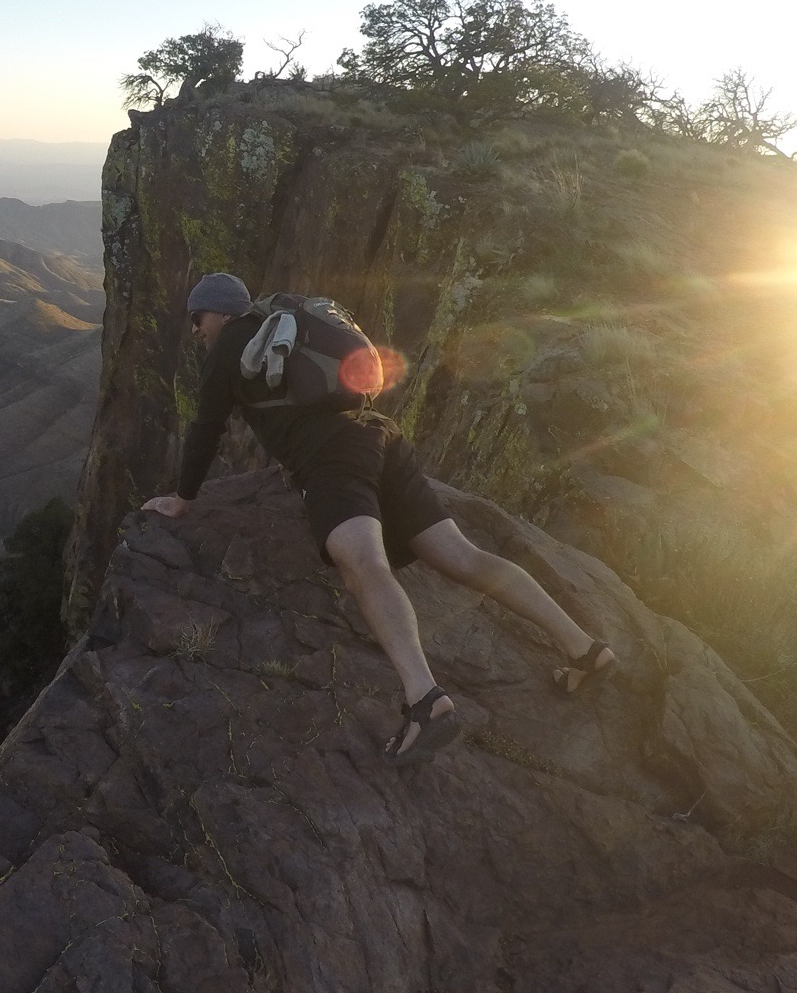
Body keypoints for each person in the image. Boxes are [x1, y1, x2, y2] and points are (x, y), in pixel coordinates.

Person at [140, 272, 618, 765]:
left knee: (363, 565)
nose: (196, 331)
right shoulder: (283, 321)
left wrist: (183, 497)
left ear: (219, 312)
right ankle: (584, 648)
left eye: (198, 319)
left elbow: (206, 429)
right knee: (463, 556)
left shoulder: (230, 344)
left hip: (333, 455)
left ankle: (425, 701)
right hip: (377, 435)